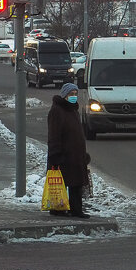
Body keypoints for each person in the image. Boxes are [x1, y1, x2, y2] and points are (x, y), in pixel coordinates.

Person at [46, 83, 91, 218]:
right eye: (71, 94)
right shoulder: (57, 111)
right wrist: (55, 154)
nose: (74, 97)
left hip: (75, 155)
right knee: (62, 182)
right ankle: (58, 209)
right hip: (63, 155)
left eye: (75, 94)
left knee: (76, 183)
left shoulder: (73, 110)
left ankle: (76, 209)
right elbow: (54, 134)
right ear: (65, 95)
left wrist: (83, 155)